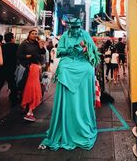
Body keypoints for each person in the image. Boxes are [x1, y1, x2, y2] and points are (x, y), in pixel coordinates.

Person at [38, 18, 100, 150]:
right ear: (69, 27)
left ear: (80, 27)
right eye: (73, 28)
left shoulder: (85, 34)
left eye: (78, 27)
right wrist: (70, 48)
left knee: (89, 70)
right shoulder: (65, 36)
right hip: (68, 62)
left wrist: (86, 47)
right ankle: (66, 122)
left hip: (82, 63)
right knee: (64, 70)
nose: (76, 30)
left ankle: (82, 120)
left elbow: (93, 51)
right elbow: (59, 52)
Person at [21, 56, 42, 122]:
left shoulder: (29, 66)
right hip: (36, 84)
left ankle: (29, 112)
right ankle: (29, 113)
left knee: (29, 96)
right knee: (34, 98)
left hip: (29, 84)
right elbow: (40, 76)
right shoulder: (39, 67)